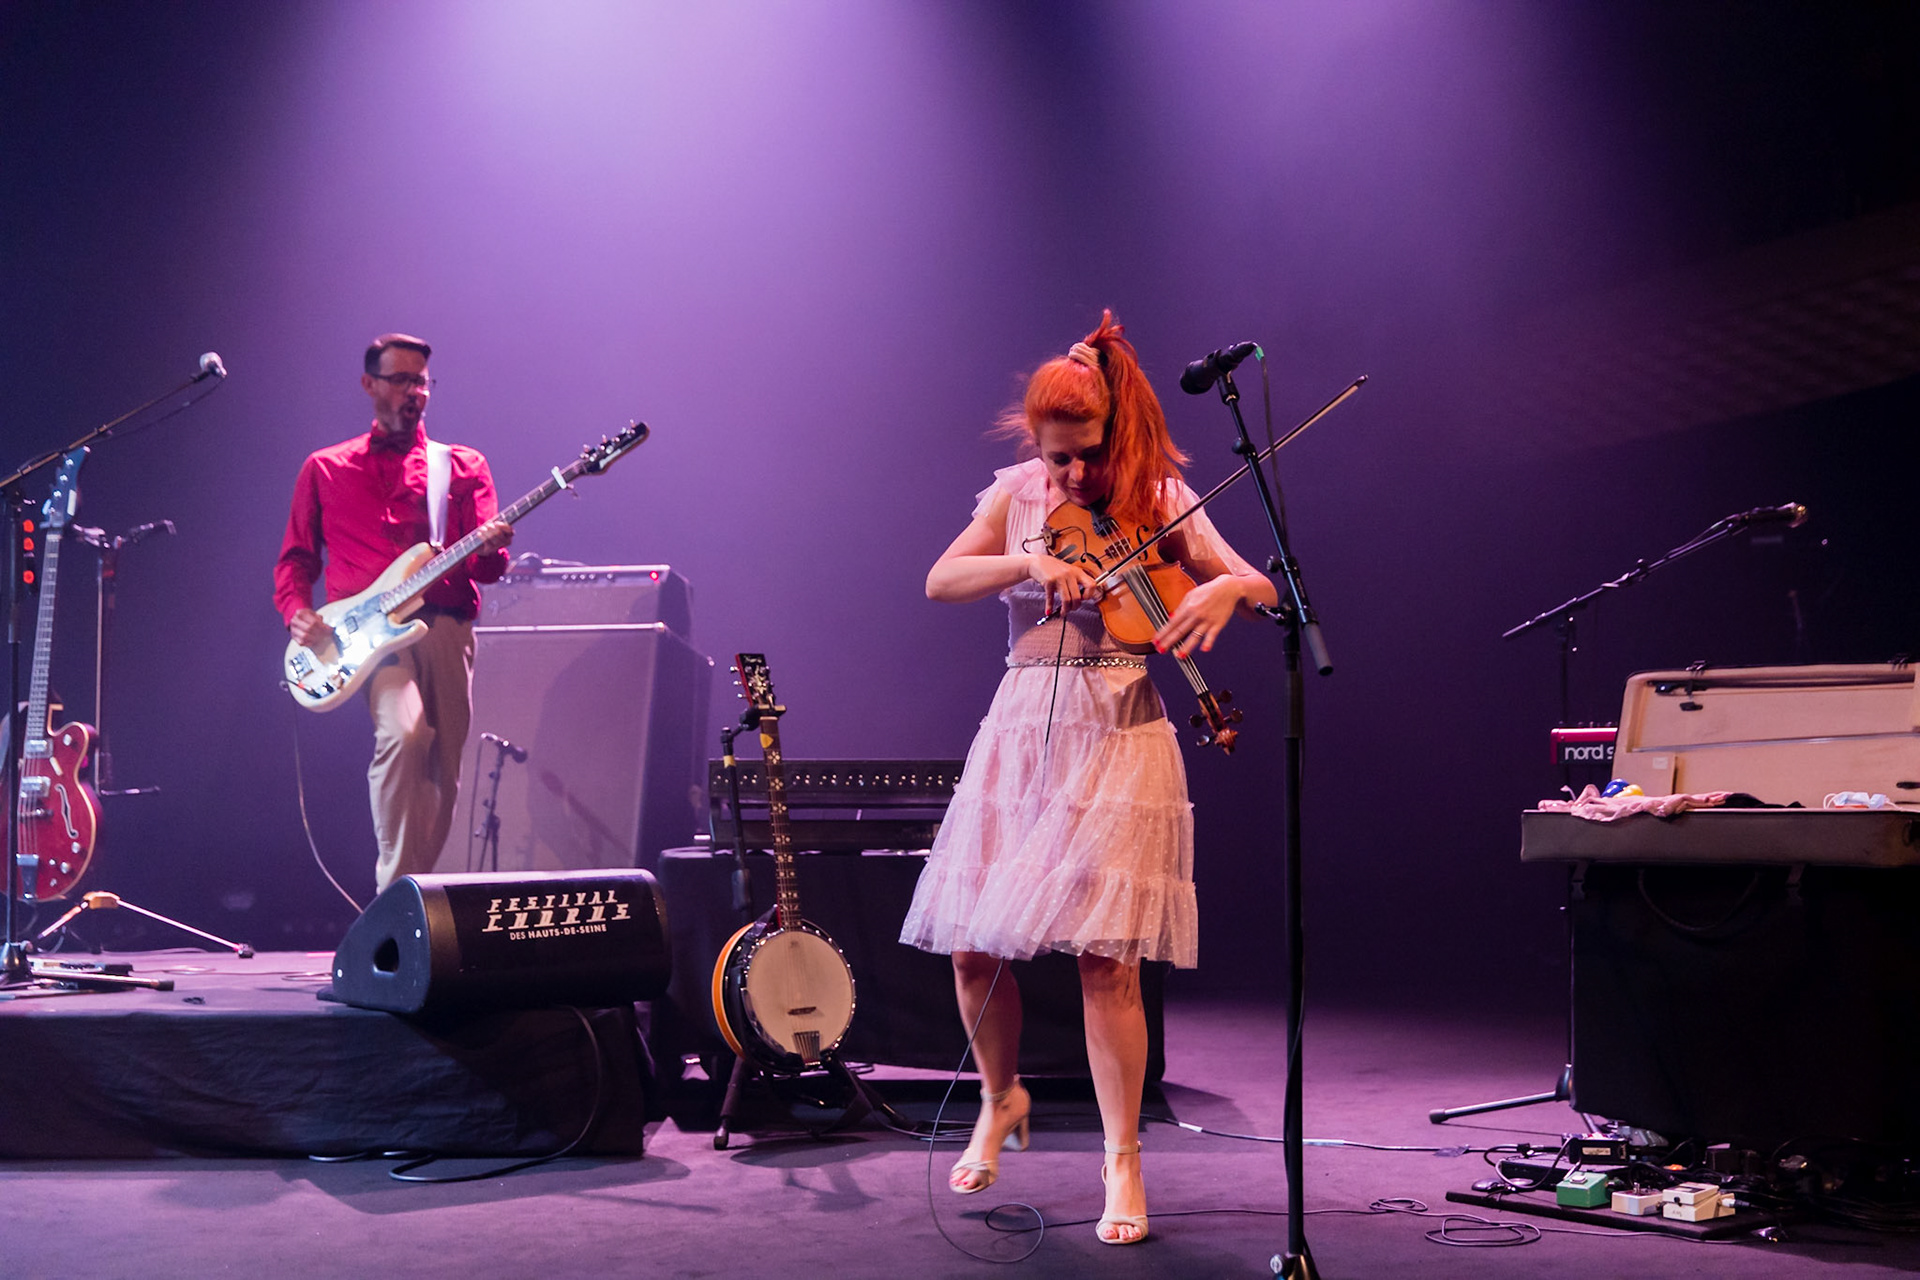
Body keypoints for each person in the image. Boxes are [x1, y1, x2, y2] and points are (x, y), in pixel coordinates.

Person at [900, 310, 1278, 1245]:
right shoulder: (1023, 493)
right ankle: (1002, 1096)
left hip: (1120, 723)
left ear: (1119, 434)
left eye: (1084, 457)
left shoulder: (1161, 492)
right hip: (1024, 721)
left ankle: (1122, 1161)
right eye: (1055, 457)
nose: (1069, 476)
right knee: (972, 948)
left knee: (1106, 960)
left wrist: (1228, 589)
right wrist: (1026, 558)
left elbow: (1262, 584)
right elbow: (941, 579)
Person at [273, 334, 514, 893]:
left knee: (444, 771)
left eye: (422, 381)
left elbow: (488, 570)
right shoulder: (325, 468)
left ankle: (413, 900)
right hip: (366, 636)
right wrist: (296, 613)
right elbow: (296, 559)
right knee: (405, 736)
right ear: (370, 385)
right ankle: (395, 901)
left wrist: (488, 549)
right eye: (401, 380)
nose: (415, 392)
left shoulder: (459, 465)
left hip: (446, 626)